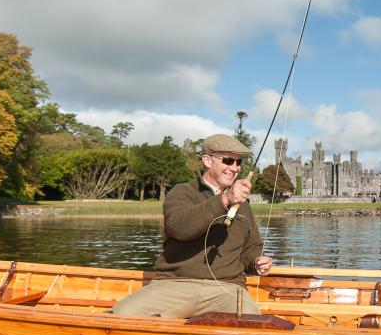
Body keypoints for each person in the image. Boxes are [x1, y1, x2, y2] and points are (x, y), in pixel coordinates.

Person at [111, 133, 272, 318]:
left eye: (238, 162)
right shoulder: (182, 193)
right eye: (228, 161)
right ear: (207, 161)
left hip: (227, 289)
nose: (234, 168)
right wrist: (225, 199)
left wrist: (257, 263)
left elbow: (250, 250)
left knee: (252, 324)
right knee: (123, 315)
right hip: (175, 284)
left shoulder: (244, 206)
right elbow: (179, 227)